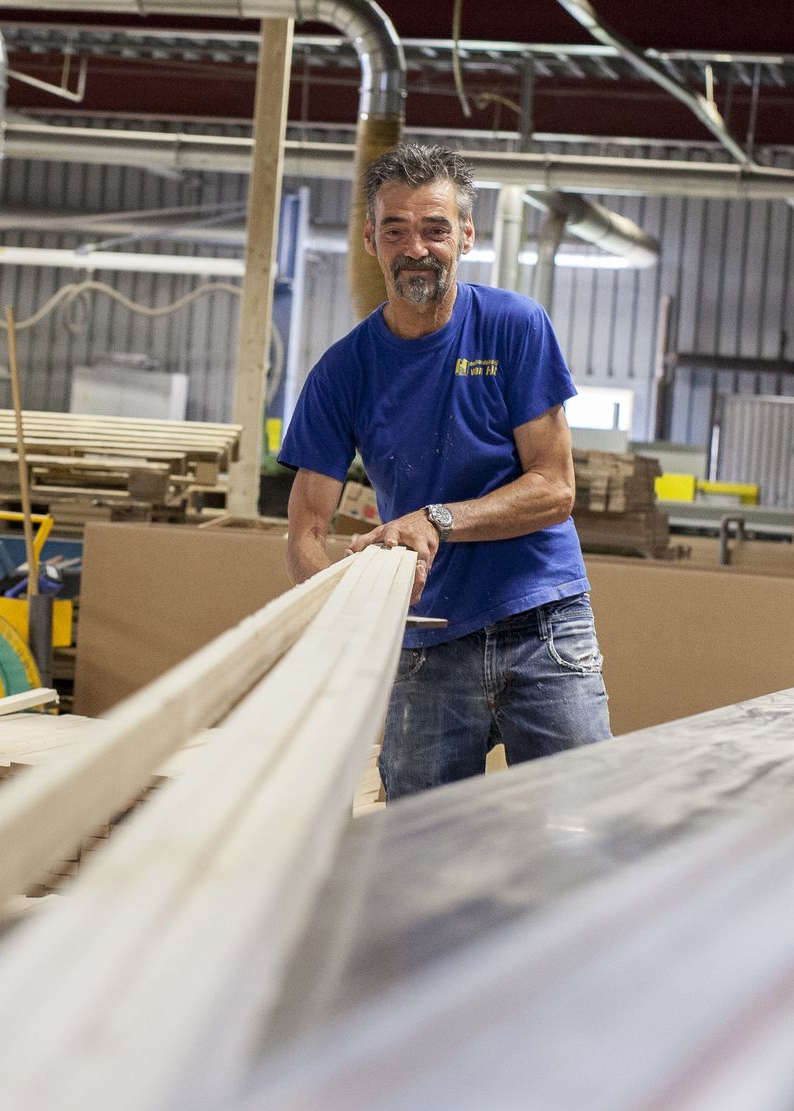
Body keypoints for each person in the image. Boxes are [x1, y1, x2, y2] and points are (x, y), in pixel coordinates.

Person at [279, 142, 611, 800]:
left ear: (466, 233)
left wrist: (438, 519)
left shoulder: (514, 328)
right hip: (428, 640)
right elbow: (304, 534)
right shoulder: (343, 372)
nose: (416, 247)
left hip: (542, 622)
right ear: (371, 238)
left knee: (585, 829)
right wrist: (353, 607)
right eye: (395, 229)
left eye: (434, 228)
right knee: (416, 848)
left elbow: (554, 489)